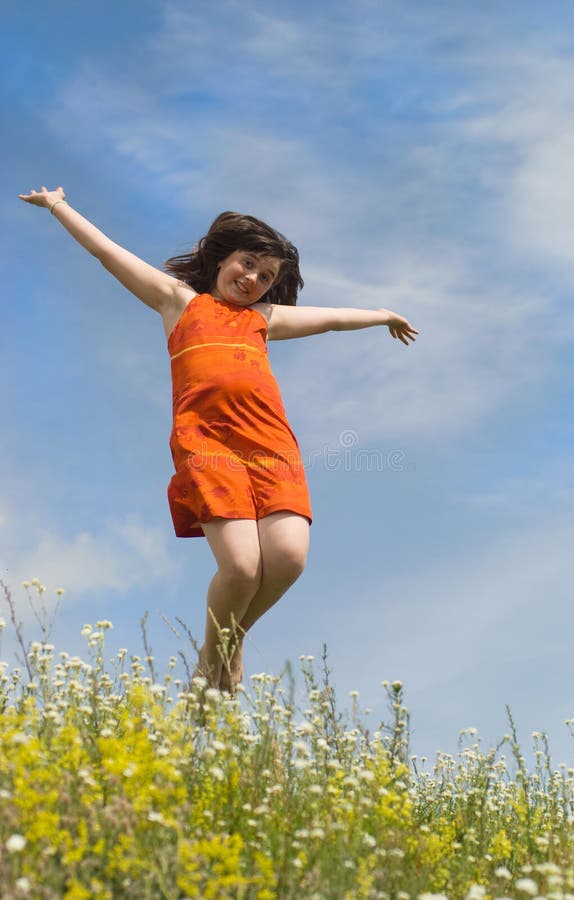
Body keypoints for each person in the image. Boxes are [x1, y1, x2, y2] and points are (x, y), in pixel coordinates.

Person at [18, 186, 419, 696]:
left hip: (271, 445)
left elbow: (334, 319)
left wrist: (384, 314)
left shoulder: (262, 319)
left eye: (265, 276)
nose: (252, 279)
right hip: (208, 445)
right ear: (221, 259)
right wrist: (58, 206)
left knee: (289, 558)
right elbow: (106, 251)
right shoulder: (178, 302)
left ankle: (223, 648)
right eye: (247, 263)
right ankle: (214, 670)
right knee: (243, 566)